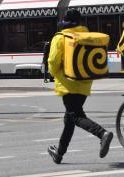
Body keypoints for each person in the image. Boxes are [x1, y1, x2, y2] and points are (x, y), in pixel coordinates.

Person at [47, 9, 113, 164]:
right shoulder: (85, 36)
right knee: (69, 119)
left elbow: (53, 62)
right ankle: (59, 153)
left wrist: (53, 74)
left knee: (76, 115)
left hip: (67, 84)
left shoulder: (60, 38)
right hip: (84, 83)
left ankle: (102, 133)